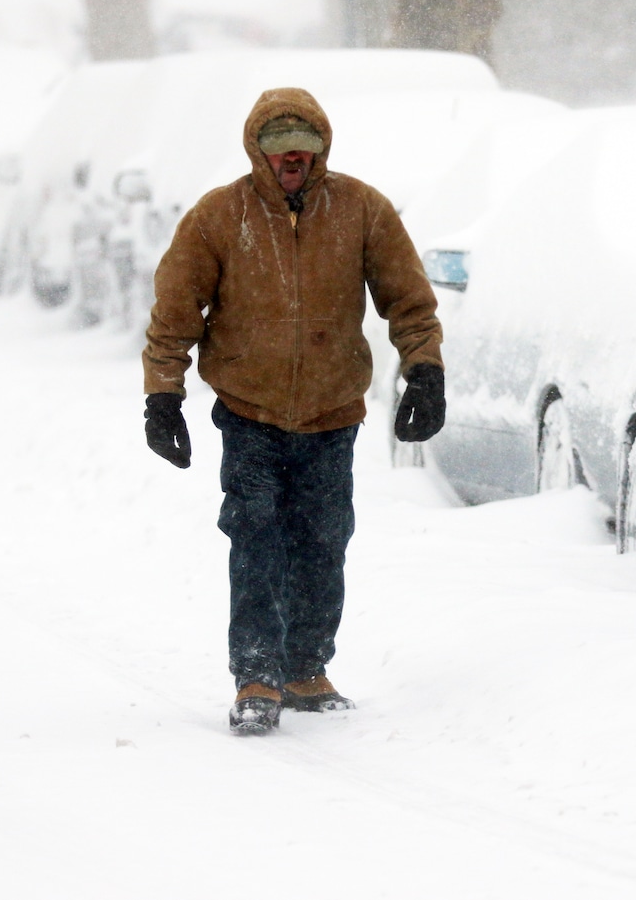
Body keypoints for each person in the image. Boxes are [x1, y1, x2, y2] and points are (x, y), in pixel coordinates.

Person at [141, 87, 446, 735]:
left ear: (319, 152)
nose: (292, 162)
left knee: (322, 540)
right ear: (259, 153)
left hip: (332, 417)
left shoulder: (361, 210)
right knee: (255, 536)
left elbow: (409, 301)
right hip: (249, 414)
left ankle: (306, 668)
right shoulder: (220, 217)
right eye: (279, 152)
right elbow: (173, 312)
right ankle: (256, 676)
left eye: (303, 151)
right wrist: (162, 396)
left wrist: (424, 371)